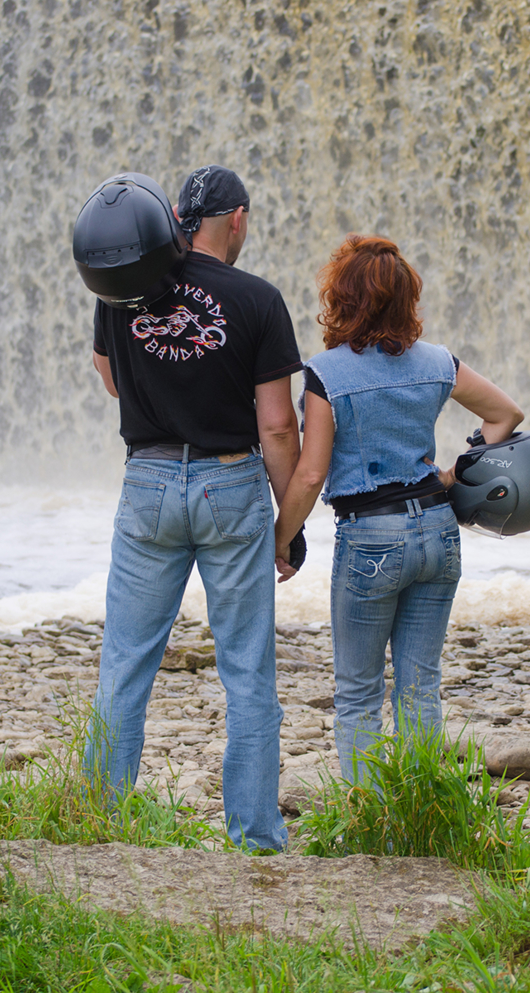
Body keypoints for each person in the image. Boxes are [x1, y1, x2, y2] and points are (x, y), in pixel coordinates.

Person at [86, 165, 301, 851]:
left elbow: (108, 375)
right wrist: (287, 527)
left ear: (178, 217)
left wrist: (160, 388)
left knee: (125, 663)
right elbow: (276, 427)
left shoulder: (124, 286)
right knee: (246, 670)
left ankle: (99, 823)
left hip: (148, 481)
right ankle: (256, 837)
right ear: (235, 220)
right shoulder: (258, 299)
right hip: (229, 483)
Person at [272, 235, 523, 784]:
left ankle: (367, 823)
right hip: (439, 529)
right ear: (407, 299)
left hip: (371, 538)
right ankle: (419, 818)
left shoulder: (326, 373)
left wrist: (281, 538)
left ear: (342, 299)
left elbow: (311, 473)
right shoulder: (437, 363)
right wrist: (458, 471)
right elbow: (505, 415)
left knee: (359, 691)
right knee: (420, 684)